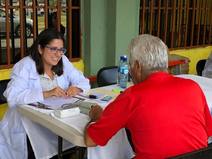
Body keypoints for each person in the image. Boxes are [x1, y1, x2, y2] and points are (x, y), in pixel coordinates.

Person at [84, 34, 212, 159]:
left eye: (130, 65)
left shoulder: (132, 96)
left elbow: (90, 140)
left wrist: (96, 117)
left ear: (138, 66)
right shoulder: (192, 87)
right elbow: (208, 131)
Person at [0, 28, 90, 159]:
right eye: (53, 49)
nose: (58, 54)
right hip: (29, 126)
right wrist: (46, 93)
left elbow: (82, 81)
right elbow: (13, 96)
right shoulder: (25, 66)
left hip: (57, 121)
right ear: (40, 49)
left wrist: (77, 88)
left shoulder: (63, 61)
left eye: (61, 50)